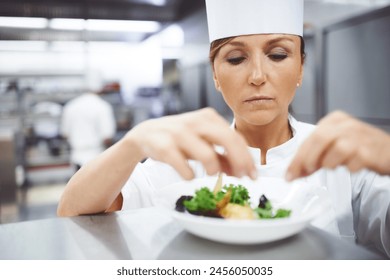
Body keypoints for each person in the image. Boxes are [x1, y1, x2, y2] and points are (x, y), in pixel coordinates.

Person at [57, 0, 390, 258]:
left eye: (277, 54)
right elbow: (71, 211)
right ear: (215, 75)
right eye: (235, 59)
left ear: (301, 67)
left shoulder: (341, 155)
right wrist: (134, 144)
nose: (258, 75)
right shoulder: (186, 158)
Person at [60, 78, 116, 171]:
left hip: (76, 156)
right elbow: (107, 137)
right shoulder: (102, 106)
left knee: (79, 185)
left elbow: (65, 134)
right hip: (96, 157)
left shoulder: (70, 106)